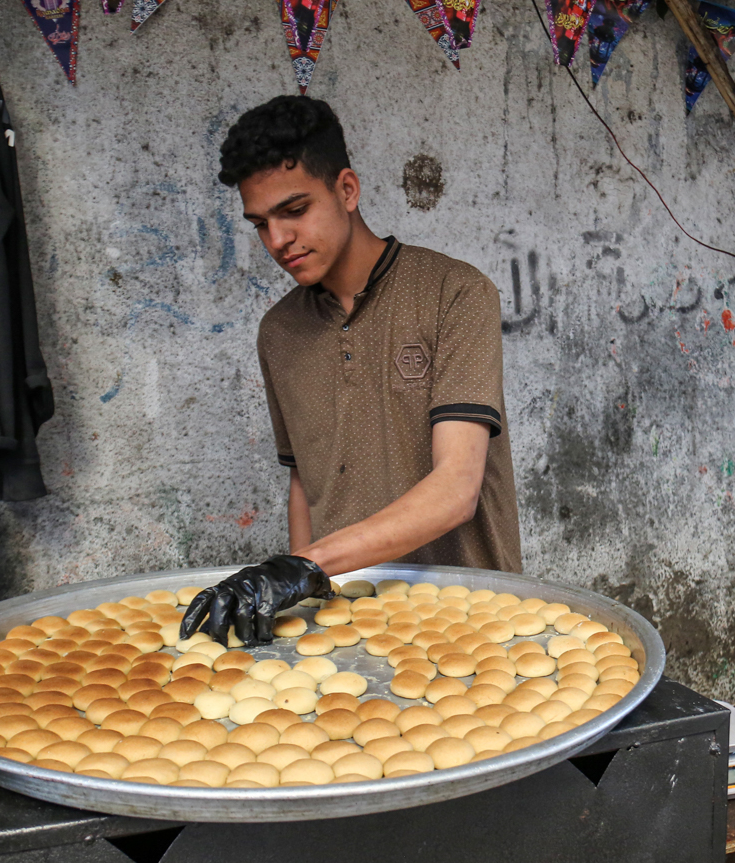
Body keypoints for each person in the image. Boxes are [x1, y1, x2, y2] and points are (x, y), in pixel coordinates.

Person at [181, 96, 519, 644]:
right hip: (346, 630)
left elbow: (457, 487)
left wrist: (302, 566)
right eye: (260, 224)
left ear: (347, 190)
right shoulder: (279, 332)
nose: (277, 240)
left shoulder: (454, 295)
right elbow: (304, 479)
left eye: (294, 211)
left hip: (469, 620)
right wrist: (298, 596)